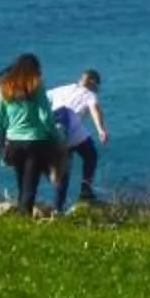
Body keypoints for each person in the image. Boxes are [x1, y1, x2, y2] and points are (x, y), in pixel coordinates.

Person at [0, 52, 64, 217]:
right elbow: (45, 116)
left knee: (21, 180)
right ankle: (25, 216)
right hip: (35, 141)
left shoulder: (4, 87)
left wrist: (2, 140)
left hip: (13, 142)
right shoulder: (35, 85)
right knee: (30, 182)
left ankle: (21, 212)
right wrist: (55, 136)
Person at [49, 68, 108, 210]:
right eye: (97, 85)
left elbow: (41, 101)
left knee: (63, 173)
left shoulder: (61, 89)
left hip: (56, 135)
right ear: (92, 82)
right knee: (91, 155)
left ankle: (58, 209)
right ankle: (86, 190)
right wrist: (101, 130)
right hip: (75, 135)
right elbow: (95, 110)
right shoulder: (89, 95)